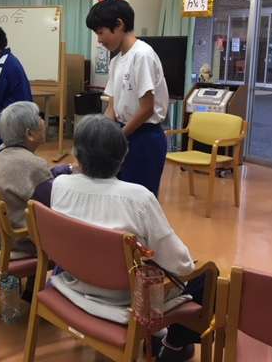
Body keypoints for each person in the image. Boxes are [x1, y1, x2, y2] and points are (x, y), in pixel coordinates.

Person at [50, 115, 203, 361]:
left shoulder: (61, 185)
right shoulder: (138, 197)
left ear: (76, 155)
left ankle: (159, 338)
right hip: (125, 299)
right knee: (206, 276)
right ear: (123, 157)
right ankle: (173, 346)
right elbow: (181, 265)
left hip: (71, 283)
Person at [86, 0, 169, 196]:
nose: (99, 40)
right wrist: (103, 135)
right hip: (124, 133)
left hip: (144, 138)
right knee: (118, 196)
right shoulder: (116, 61)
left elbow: (147, 108)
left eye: (100, 32)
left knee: (138, 199)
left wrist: (118, 137)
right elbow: (111, 106)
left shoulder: (142, 55)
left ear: (119, 25)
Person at [0, 101, 71, 252]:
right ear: (29, 134)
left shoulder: (0, 152)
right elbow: (55, 204)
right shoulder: (33, 165)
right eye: (39, 117)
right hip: (17, 239)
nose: (43, 121)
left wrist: (61, 171)